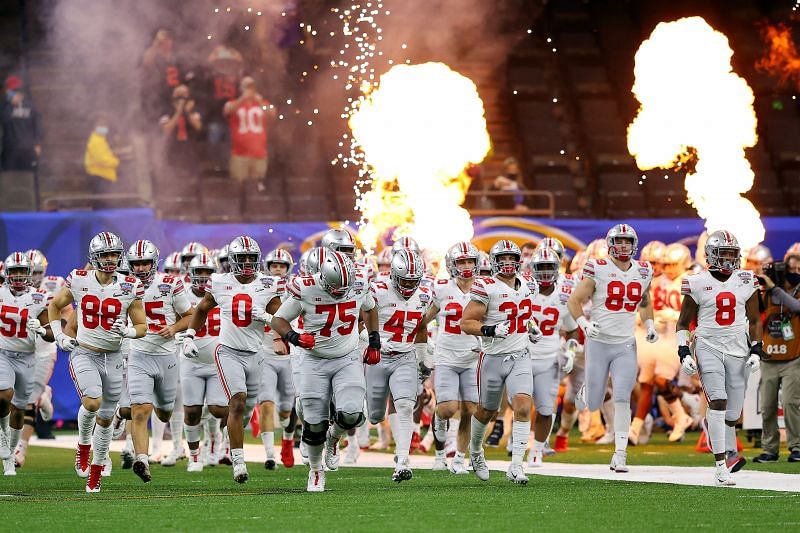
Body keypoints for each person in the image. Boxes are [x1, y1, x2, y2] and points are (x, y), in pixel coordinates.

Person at [270, 251, 380, 492]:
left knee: (352, 413)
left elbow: (370, 309)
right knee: (313, 421)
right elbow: (277, 320)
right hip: (313, 359)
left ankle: (333, 438)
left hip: (347, 357)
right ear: (323, 279)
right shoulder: (306, 288)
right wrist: (294, 337)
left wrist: (374, 341)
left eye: (345, 287)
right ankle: (316, 471)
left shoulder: (359, 283)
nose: (340, 292)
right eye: (335, 287)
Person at [47, 232, 148, 493]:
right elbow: (55, 305)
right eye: (105, 255)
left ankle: (97, 468)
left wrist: (128, 332)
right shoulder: (79, 279)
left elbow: (142, 326)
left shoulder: (129, 285)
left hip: (113, 356)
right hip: (85, 352)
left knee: (105, 419)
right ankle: (83, 445)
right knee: (92, 401)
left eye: (114, 254)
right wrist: (59, 335)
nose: (111, 259)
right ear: (94, 257)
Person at [183, 236, 284, 484]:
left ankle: (231, 437)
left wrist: (284, 333)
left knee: (246, 410)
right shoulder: (219, 282)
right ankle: (239, 462)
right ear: (232, 260)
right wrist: (189, 335)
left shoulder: (268, 284)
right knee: (237, 403)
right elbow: (202, 309)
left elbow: (282, 316)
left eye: (252, 258)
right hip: (227, 351)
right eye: (242, 257)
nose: (248, 262)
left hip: (256, 353)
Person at [677, 230, 765, 486]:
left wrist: (757, 349)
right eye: (723, 253)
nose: (728, 259)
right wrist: (683, 351)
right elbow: (683, 322)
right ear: (711, 255)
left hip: (738, 347)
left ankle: (725, 446)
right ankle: (720, 465)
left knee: (733, 412)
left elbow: (755, 319)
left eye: (732, 254)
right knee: (717, 401)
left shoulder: (746, 279)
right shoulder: (696, 282)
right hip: (708, 346)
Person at [567, 224, 657, 472]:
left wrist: (649, 323)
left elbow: (645, 300)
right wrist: (584, 324)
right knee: (594, 403)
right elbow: (575, 301)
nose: (624, 246)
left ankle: (620, 454)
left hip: (625, 343)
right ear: (610, 244)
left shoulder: (643, 270)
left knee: (622, 397)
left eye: (628, 242)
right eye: (620, 241)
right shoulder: (598, 267)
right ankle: (587, 391)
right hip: (598, 342)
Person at [460, 240, 541, 484]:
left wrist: (532, 326)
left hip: (520, 355)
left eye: (510, 258)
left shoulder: (529, 283)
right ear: (494, 262)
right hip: (493, 357)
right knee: (487, 411)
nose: (507, 263)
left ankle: (516, 466)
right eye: (502, 259)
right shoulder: (486, 286)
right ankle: (475, 451)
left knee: (524, 406)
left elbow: (522, 313)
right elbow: (466, 323)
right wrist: (491, 329)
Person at [125, 240, 193, 483]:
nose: (141, 268)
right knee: (140, 411)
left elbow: (190, 316)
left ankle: (159, 431)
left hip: (166, 356)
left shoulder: (171, 283)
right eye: (136, 263)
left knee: (164, 413)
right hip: (138, 355)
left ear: (154, 263)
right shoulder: (123, 285)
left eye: (145, 263)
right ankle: (142, 458)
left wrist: (174, 327)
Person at [368, 249, 431, 482]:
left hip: (404, 356)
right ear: (394, 275)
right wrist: (375, 340)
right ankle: (335, 437)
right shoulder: (378, 290)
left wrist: (423, 357)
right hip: (377, 356)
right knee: (373, 415)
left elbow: (421, 328)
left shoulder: (424, 294)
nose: (409, 285)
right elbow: (357, 324)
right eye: (405, 280)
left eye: (413, 281)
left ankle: (402, 460)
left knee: (404, 404)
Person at [423, 242, 481, 474]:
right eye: (461, 261)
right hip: (446, 356)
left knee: (470, 409)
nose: (466, 266)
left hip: (472, 358)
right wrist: (423, 351)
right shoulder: (441, 289)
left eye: (470, 261)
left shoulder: (485, 289)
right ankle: (439, 444)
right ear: (452, 265)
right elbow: (423, 320)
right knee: (447, 409)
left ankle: (458, 458)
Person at [631, 242, 694, 445]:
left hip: (678, 338)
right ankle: (635, 428)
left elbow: (699, 312)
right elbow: (646, 307)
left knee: (660, 381)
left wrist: (675, 315)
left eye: (673, 264)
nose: (669, 269)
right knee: (646, 382)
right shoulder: (658, 282)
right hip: (658, 339)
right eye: (666, 265)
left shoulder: (690, 280)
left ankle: (683, 415)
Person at [13, 250, 71, 468]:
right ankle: (44, 395)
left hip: (45, 348)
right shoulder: (12, 288)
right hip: (18, 348)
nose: (34, 276)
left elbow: (66, 310)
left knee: (28, 399)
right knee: (15, 397)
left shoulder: (55, 284)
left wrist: (59, 330)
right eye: (31, 271)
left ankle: (21, 449)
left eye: (38, 271)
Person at [0, 252, 54, 476]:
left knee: (20, 409)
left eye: (23, 271)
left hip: (28, 357)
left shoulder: (40, 297)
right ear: (7, 274)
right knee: (4, 394)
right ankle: (3, 439)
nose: (19, 276)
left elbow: (51, 333)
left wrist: (41, 329)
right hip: (3, 353)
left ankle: (11, 455)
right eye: (15, 272)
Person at [526, 248, 579, 467]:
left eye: (550, 267)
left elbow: (572, 329)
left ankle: (537, 449)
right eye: (542, 267)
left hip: (549, 357)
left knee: (546, 408)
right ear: (533, 269)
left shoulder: (564, 296)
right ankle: (518, 443)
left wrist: (571, 352)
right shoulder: (524, 292)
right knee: (519, 405)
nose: (546, 272)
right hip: (523, 355)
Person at [181, 253, 227, 472]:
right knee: (191, 411)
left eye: (207, 272)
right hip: (191, 361)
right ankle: (194, 456)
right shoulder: (181, 294)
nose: (202, 276)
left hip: (217, 361)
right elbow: (174, 319)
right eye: (198, 272)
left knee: (218, 408)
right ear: (190, 274)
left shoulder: (223, 292)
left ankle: (217, 438)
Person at [755, 252, 800, 463]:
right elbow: (753, 314)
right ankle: (769, 449)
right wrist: (756, 289)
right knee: (767, 406)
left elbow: (796, 307)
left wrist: (774, 288)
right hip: (769, 357)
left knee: (791, 404)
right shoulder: (765, 293)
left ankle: (796, 447)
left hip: (793, 357)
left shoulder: (795, 292)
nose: (796, 274)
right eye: (792, 270)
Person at [258, 248, 297, 470]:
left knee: (286, 408)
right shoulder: (261, 289)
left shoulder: (296, 290)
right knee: (266, 403)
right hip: (265, 353)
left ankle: (287, 439)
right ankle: (269, 454)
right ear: (268, 267)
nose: (278, 269)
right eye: (274, 266)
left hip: (290, 356)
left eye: (282, 266)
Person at [223, 76, 272, 194]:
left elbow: (272, 113)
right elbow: (227, 111)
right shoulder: (233, 103)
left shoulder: (263, 103)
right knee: (239, 188)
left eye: (251, 86)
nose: (249, 89)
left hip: (259, 154)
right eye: (246, 86)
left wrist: (258, 100)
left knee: (257, 188)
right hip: (239, 154)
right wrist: (242, 99)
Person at [159, 84, 202, 187]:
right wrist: (178, 112)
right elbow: (166, 130)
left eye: (184, 94)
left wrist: (186, 111)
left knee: (193, 179)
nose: (182, 97)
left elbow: (198, 126)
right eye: (179, 94)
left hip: (189, 149)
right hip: (172, 148)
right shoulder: (166, 110)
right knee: (173, 179)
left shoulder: (193, 110)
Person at [84, 114, 121, 208]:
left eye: (105, 125)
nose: (104, 128)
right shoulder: (96, 141)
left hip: (104, 177)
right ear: (95, 127)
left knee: (105, 207)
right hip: (100, 178)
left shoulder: (101, 140)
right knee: (102, 208)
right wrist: (116, 162)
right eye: (101, 125)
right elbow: (102, 160)